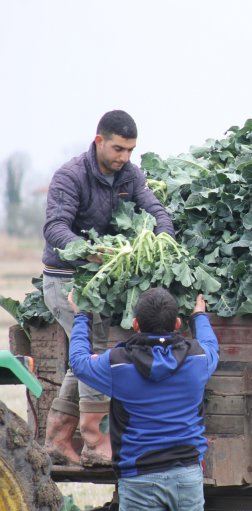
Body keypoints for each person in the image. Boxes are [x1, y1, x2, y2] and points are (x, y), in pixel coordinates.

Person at [42, 110, 175, 466]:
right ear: (99, 140)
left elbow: (156, 210)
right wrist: (89, 252)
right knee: (96, 354)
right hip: (66, 279)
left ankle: (57, 439)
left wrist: (164, 237)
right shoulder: (70, 176)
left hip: (99, 281)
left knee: (83, 359)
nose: (124, 158)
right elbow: (55, 229)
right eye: (118, 149)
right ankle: (96, 443)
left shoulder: (129, 175)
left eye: (130, 150)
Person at [68, 288, 218, 511]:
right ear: (178, 324)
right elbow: (211, 345)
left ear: (135, 324)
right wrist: (199, 316)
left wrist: (81, 317)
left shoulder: (118, 365)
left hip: (139, 479)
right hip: (187, 477)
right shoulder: (198, 359)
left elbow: (79, 362)